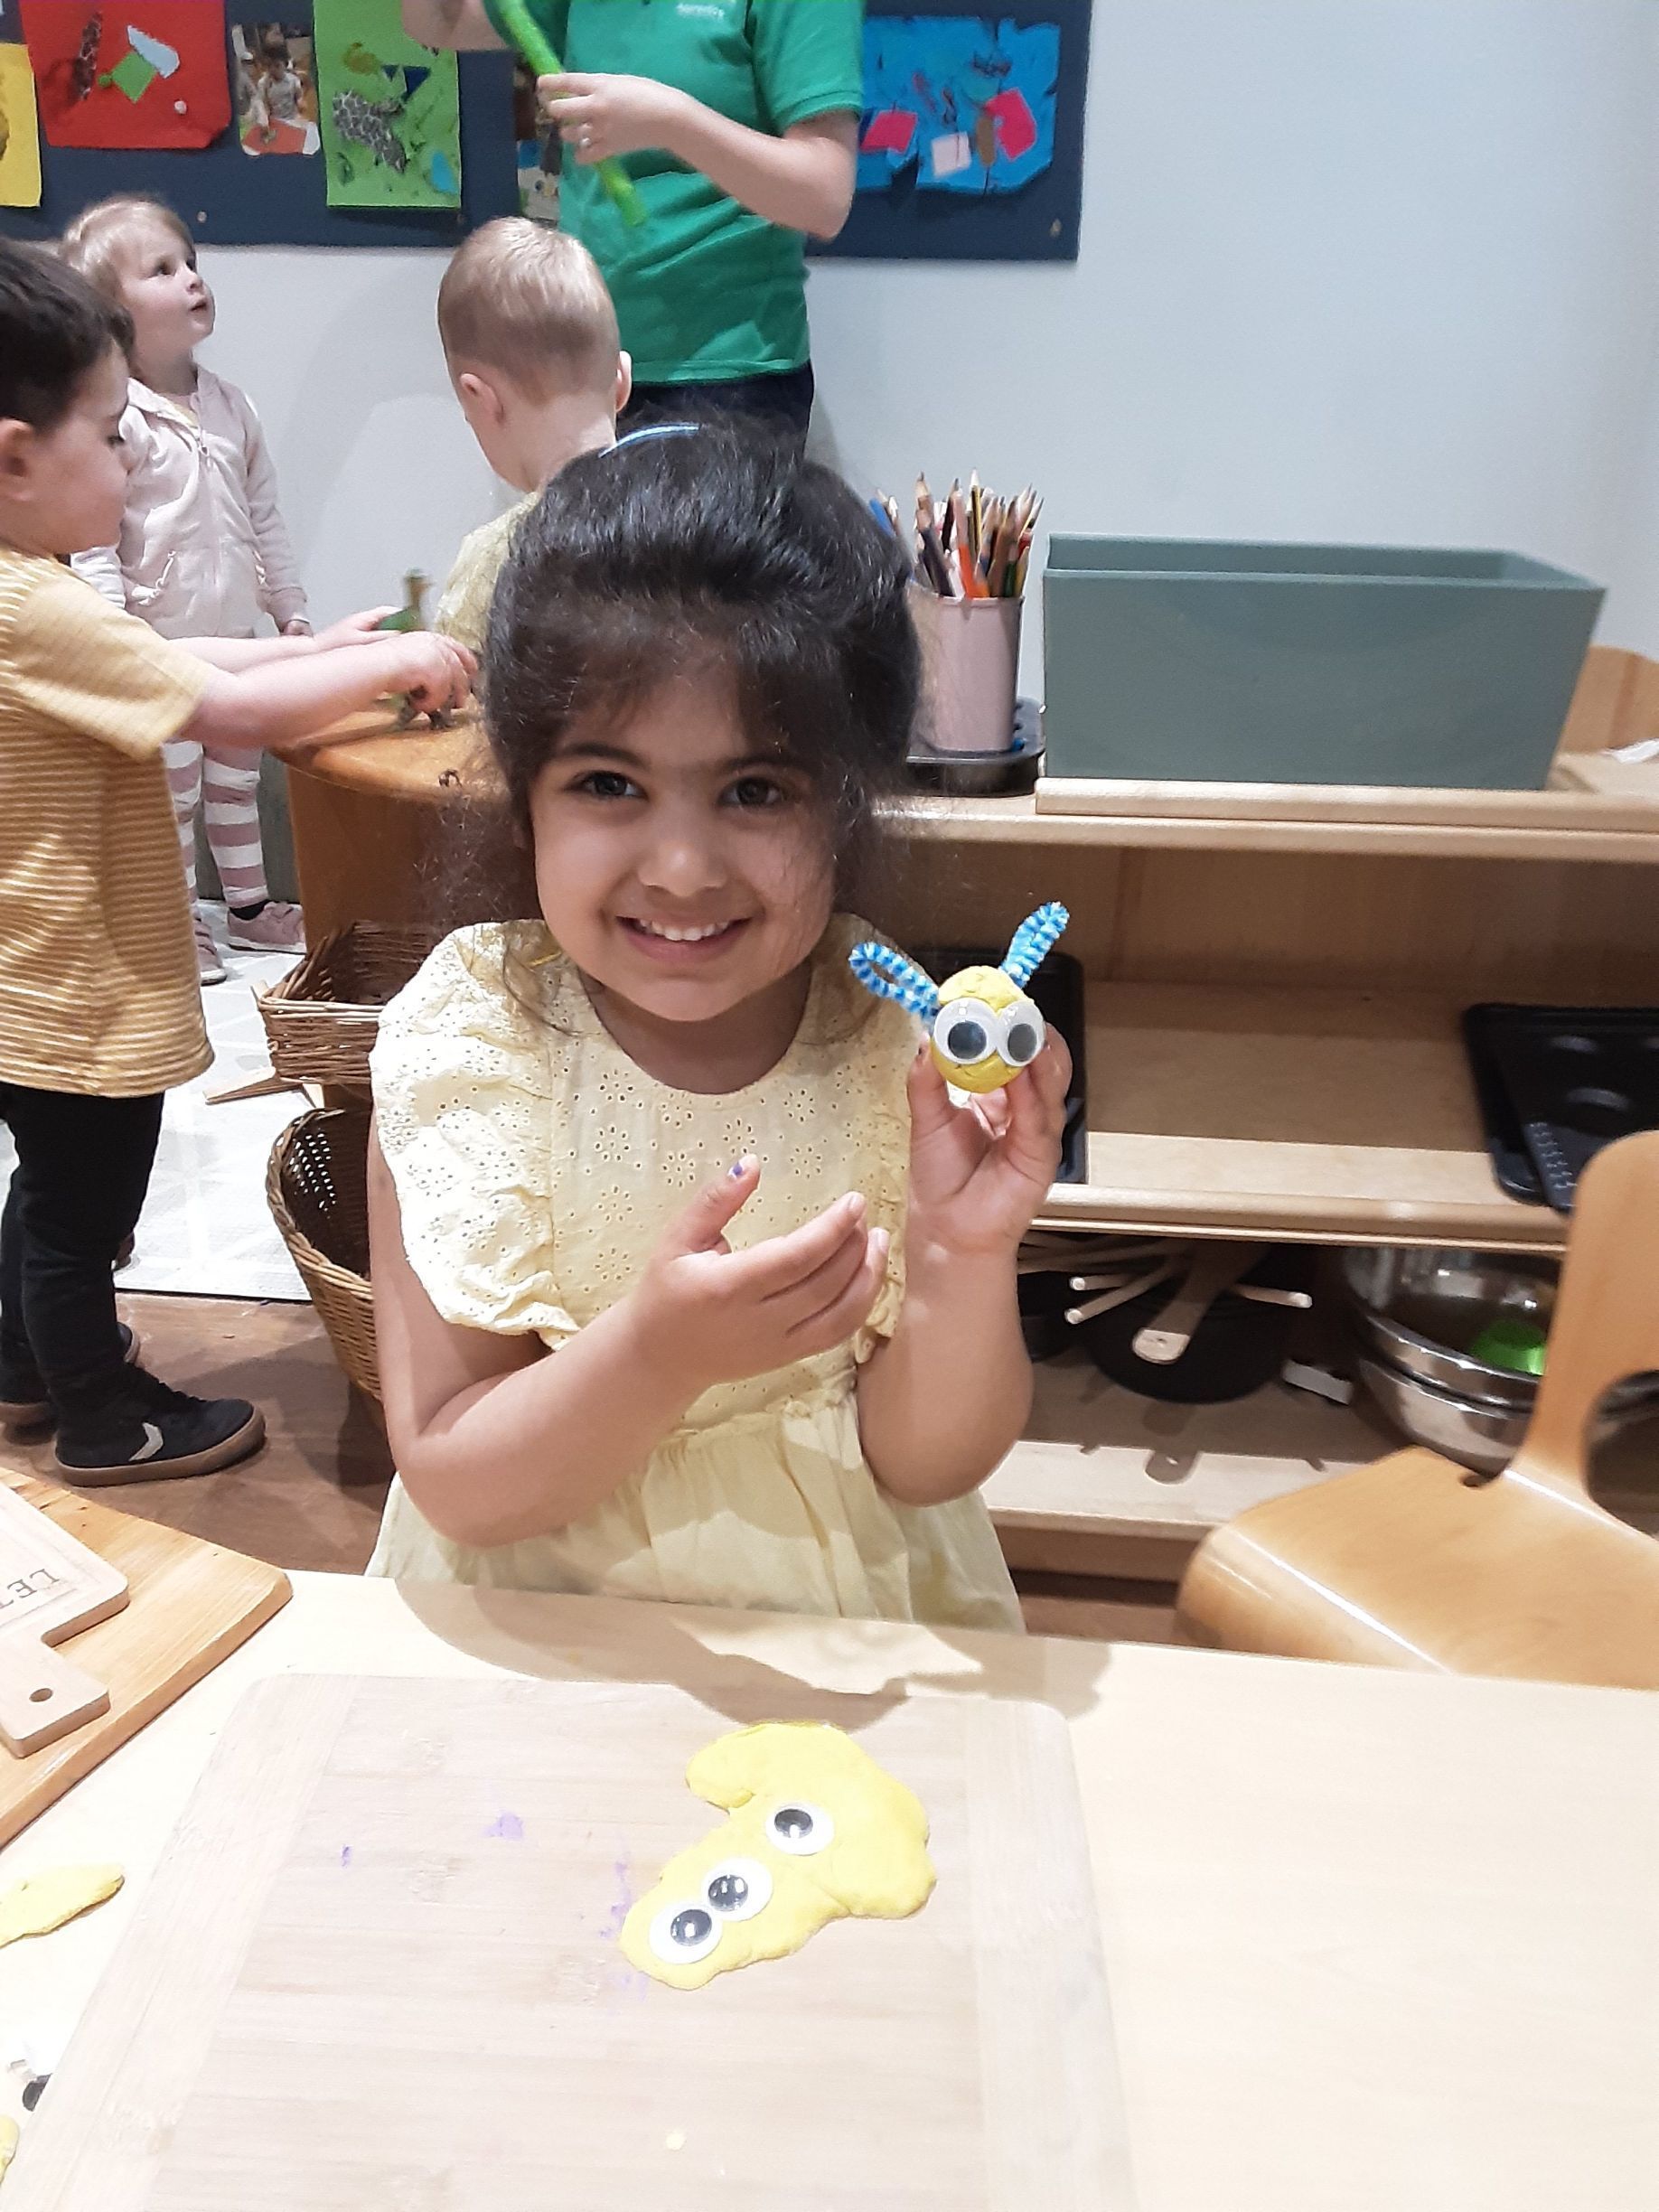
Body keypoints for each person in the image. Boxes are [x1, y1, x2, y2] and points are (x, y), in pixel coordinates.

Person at [366, 428, 1069, 1626]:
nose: (682, 868)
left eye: (755, 790)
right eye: (609, 785)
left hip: (834, 1621)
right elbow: (458, 1480)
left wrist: (964, 1255)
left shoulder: (887, 1039)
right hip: (547, 1624)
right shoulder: (474, 1045)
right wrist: (657, 1356)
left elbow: (927, 1465)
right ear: (525, 801)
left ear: (847, 808)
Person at [0, 239, 473, 1481]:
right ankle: (99, 1413)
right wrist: (383, 666)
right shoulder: (26, 605)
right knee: (82, 1210)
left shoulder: (30, 587)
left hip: (39, 984)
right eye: (112, 436)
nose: (131, 460)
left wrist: (324, 648)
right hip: (69, 988)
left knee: (50, 1192)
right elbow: (231, 712)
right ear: (16, 459)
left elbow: (182, 660)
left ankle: (22, 1362)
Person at [402, 0, 864, 445]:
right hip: (581, 366)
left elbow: (824, 197)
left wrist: (669, 121)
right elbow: (439, 22)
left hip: (725, 374)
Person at [61, 195, 314, 984]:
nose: (193, 279)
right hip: (158, 647)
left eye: (192, 264)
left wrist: (290, 610)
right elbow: (96, 535)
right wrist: (109, 632)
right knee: (170, 796)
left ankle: (248, 911)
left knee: (237, 782)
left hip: (237, 637)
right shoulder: (119, 420)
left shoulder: (233, 407)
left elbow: (266, 517)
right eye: (163, 270)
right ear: (114, 312)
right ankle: (178, 921)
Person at [433, 217, 629, 657]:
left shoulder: (495, 559)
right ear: (621, 381)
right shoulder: (693, 524)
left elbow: (458, 683)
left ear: (480, 399)